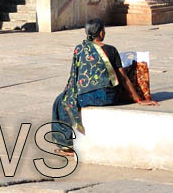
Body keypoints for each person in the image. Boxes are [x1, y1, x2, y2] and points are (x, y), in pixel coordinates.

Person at [48, 18, 156, 154]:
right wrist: (139, 99)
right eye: (103, 30)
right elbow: (123, 78)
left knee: (62, 101)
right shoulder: (111, 50)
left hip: (90, 96)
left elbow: (75, 75)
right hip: (109, 96)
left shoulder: (80, 49)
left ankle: (67, 144)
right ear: (100, 33)